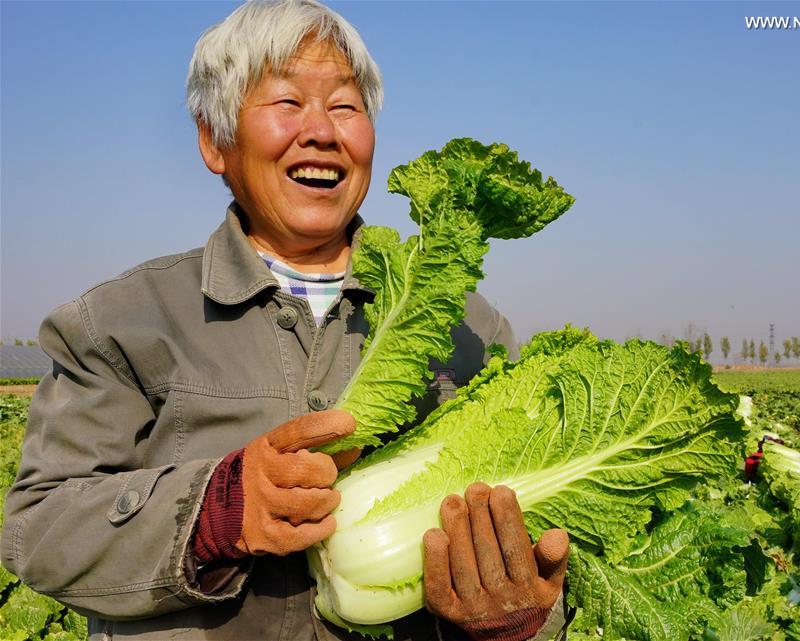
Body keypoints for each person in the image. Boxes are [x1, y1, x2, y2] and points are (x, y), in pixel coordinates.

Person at [1, 2, 569, 640]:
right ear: (215, 141)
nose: (322, 131)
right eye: (287, 102)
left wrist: (526, 623)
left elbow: (539, 539)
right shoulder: (120, 322)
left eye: (346, 106)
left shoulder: (471, 331)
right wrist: (219, 510)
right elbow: (38, 530)